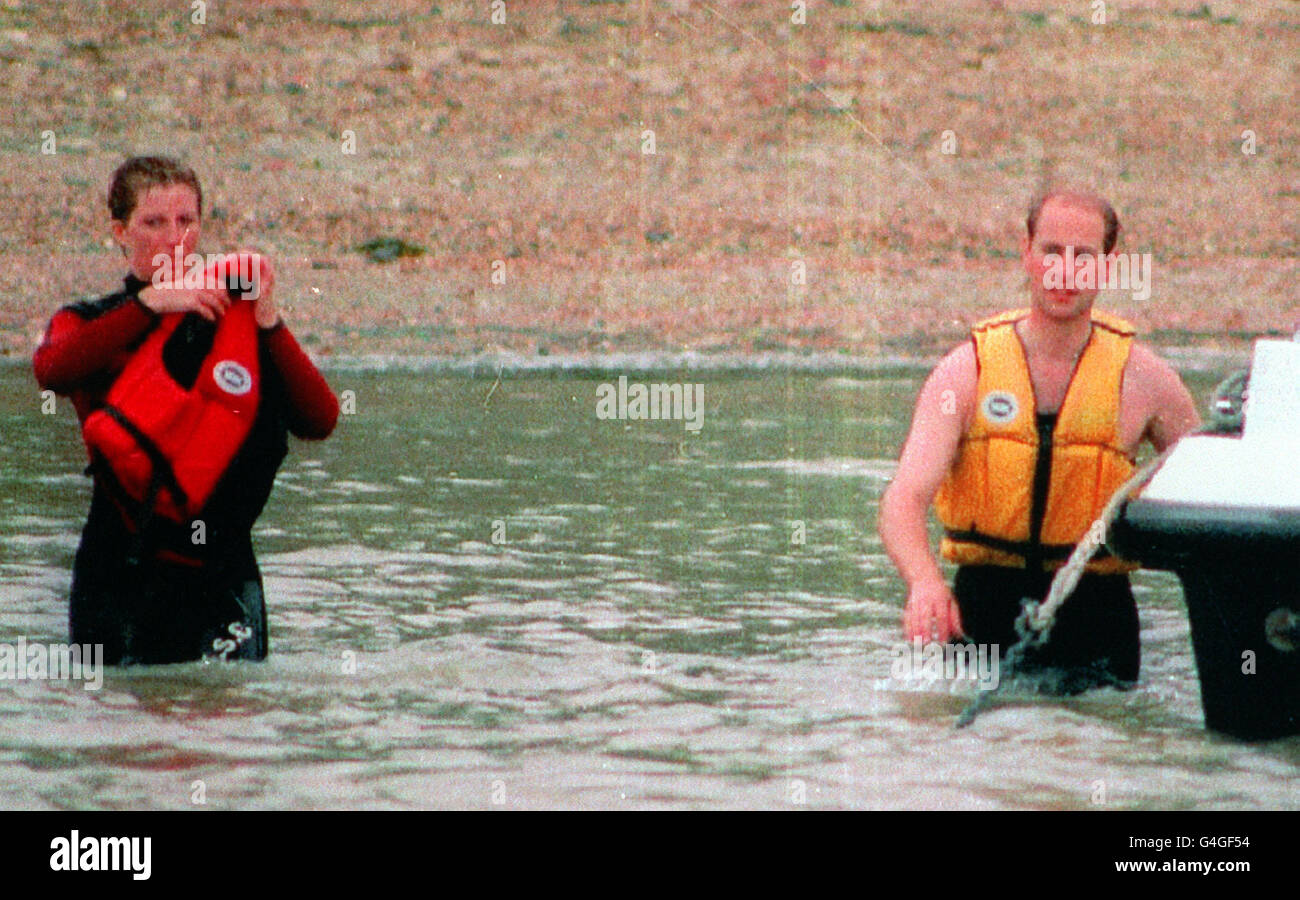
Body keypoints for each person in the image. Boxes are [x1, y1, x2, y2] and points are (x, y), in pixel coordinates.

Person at [878, 187, 1200, 688]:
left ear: (1108, 267)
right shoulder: (965, 373)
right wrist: (924, 583)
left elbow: (1209, 497)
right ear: (1027, 253)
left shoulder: (1148, 382)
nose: (1064, 271)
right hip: (979, 619)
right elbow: (902, 500)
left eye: (1083, 257)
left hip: (1098, 624)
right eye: (1051, 252)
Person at [33, 156, 338, 665]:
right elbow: (53, 370)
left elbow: (319, 420)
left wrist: (269, 321)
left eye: (186, 222)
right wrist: (152, 304)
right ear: (120, 232)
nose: (174, 238)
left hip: (223, 576)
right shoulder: (90, 321)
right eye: (153, 223)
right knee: (122, 728)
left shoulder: (235, 327)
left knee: (229, 727)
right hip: (119, 572)